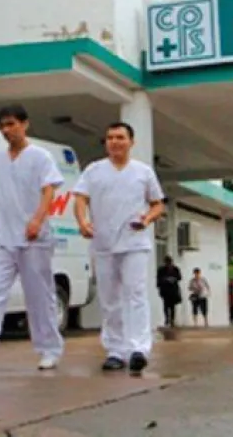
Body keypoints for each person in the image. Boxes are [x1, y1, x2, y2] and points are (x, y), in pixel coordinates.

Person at [0, 105, 66, 375]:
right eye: (2, 126)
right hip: (2, 238)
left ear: (25, 124)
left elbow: (48, 191)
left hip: (34, 238)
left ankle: (49, 349)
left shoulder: (40, 156)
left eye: (11, 124)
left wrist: (37, 220)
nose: (6, 131)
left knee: (39, 297)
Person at [73, 121, 165, 375]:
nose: (114, 142)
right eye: (110, 137)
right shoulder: (94, 171)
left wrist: (146, 219)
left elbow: (158, 204)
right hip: (103, 243)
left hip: (134, 242)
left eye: (120, 137)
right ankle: (115, 350)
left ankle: (138, 349)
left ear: (131, 142)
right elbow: (80, 198)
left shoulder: (143, 172)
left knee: (135, 294)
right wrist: (83, 222)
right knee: (109, 298)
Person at [156, 256, 183, 328]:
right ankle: (167, 320)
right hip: (165, 290)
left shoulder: (175, 269)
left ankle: (172, 320)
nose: (169, 264)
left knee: (172, 306)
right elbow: (159, 279)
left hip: (173, 290)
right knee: (166, 306)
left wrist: (173, 279)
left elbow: (179, 277)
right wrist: (166, 280)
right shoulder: (161, 269)